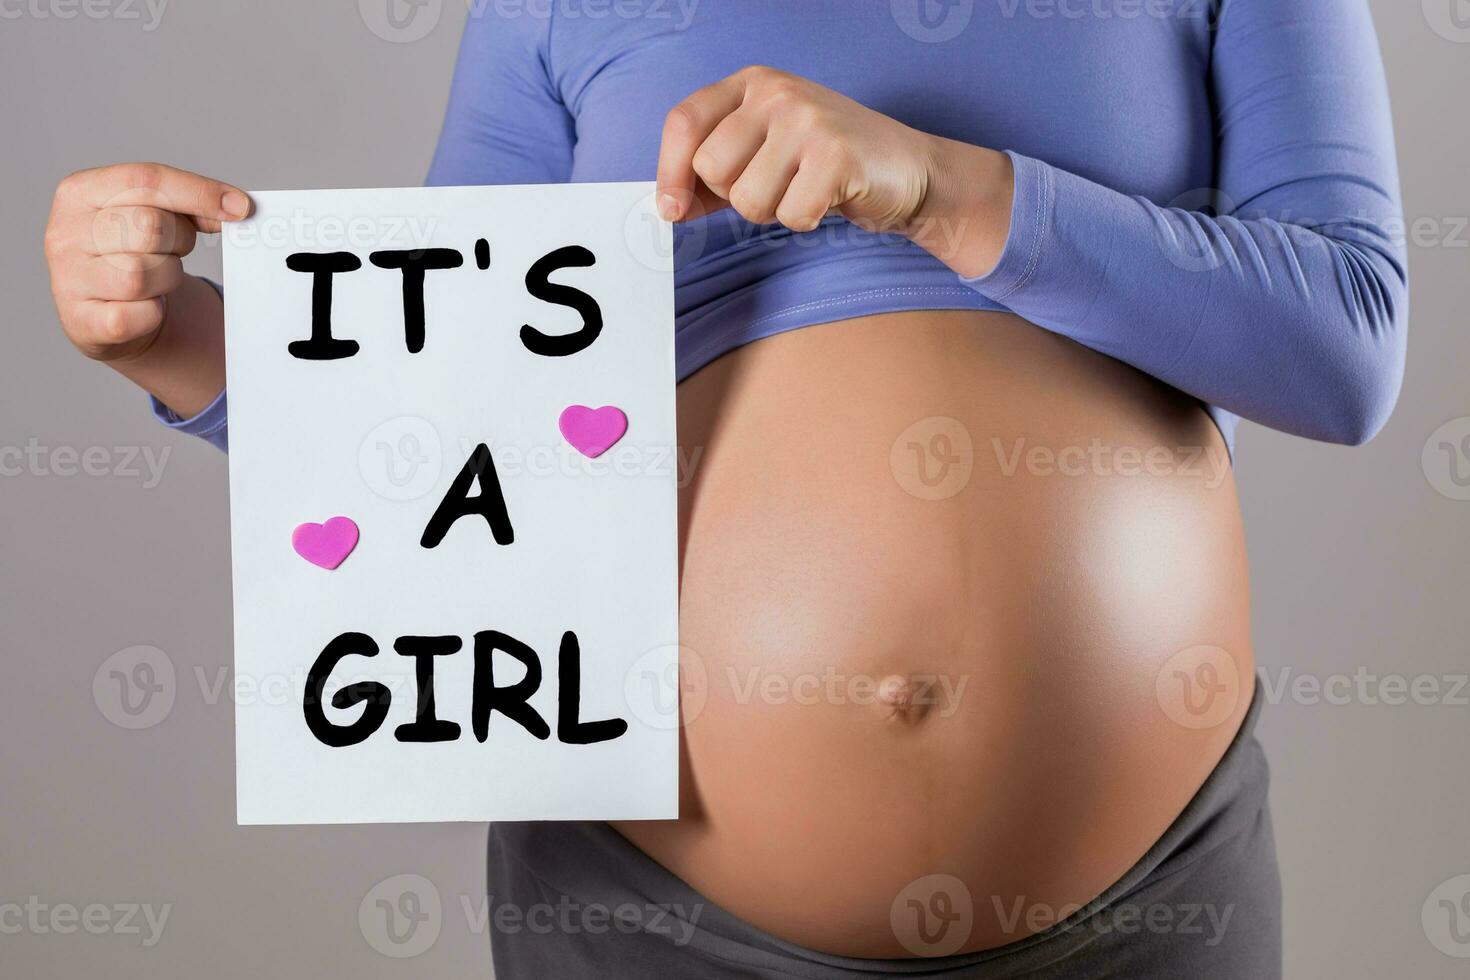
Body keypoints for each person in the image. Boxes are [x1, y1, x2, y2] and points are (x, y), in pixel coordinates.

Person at [43, 1, 1406, 975]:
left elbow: (1343, 346)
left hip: (1143, 903)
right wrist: (179, 342)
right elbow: (445, 428)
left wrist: (946, 189)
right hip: (648, 913)